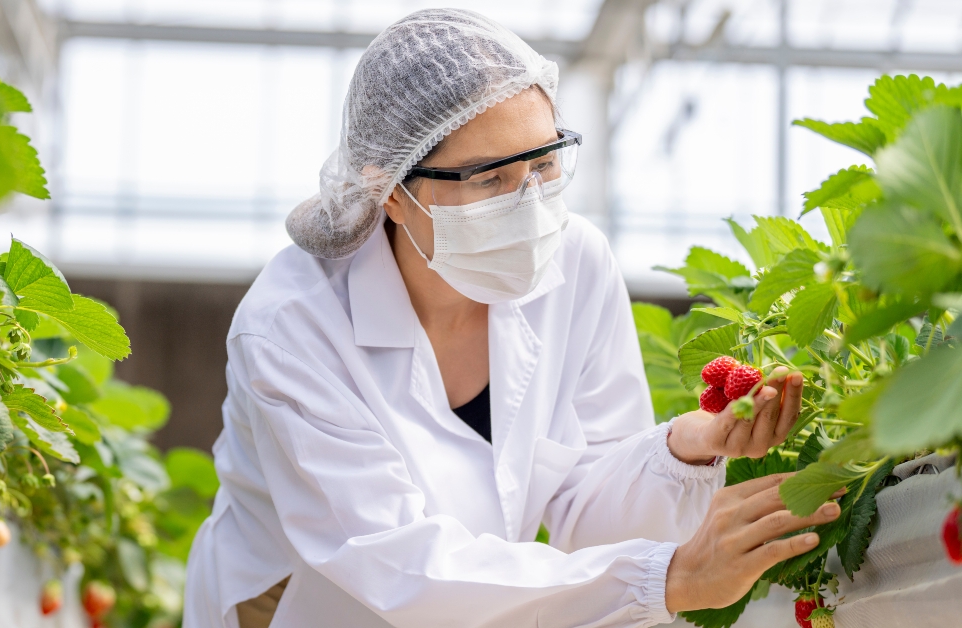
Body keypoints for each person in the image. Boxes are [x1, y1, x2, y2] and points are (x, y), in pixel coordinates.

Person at [184, 9, 837, 628]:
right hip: (303, 604)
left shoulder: (575, 263)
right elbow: (397, 565)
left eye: (545, 163)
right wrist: (665, 579)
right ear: (391, 193)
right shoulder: (293, 327)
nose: (529, 203)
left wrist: (684, 449)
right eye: (489, 180)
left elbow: (589, 502)